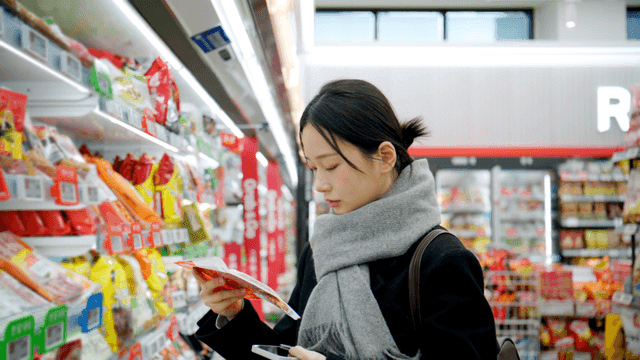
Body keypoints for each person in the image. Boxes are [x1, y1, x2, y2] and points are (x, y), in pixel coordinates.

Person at [194, 79, 498, 360]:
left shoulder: (442, 260)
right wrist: (233, 315)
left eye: (330, 165)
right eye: (313, 168)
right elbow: (287, 349)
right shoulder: (322, 250)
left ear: (385, 157)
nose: (320, 185)